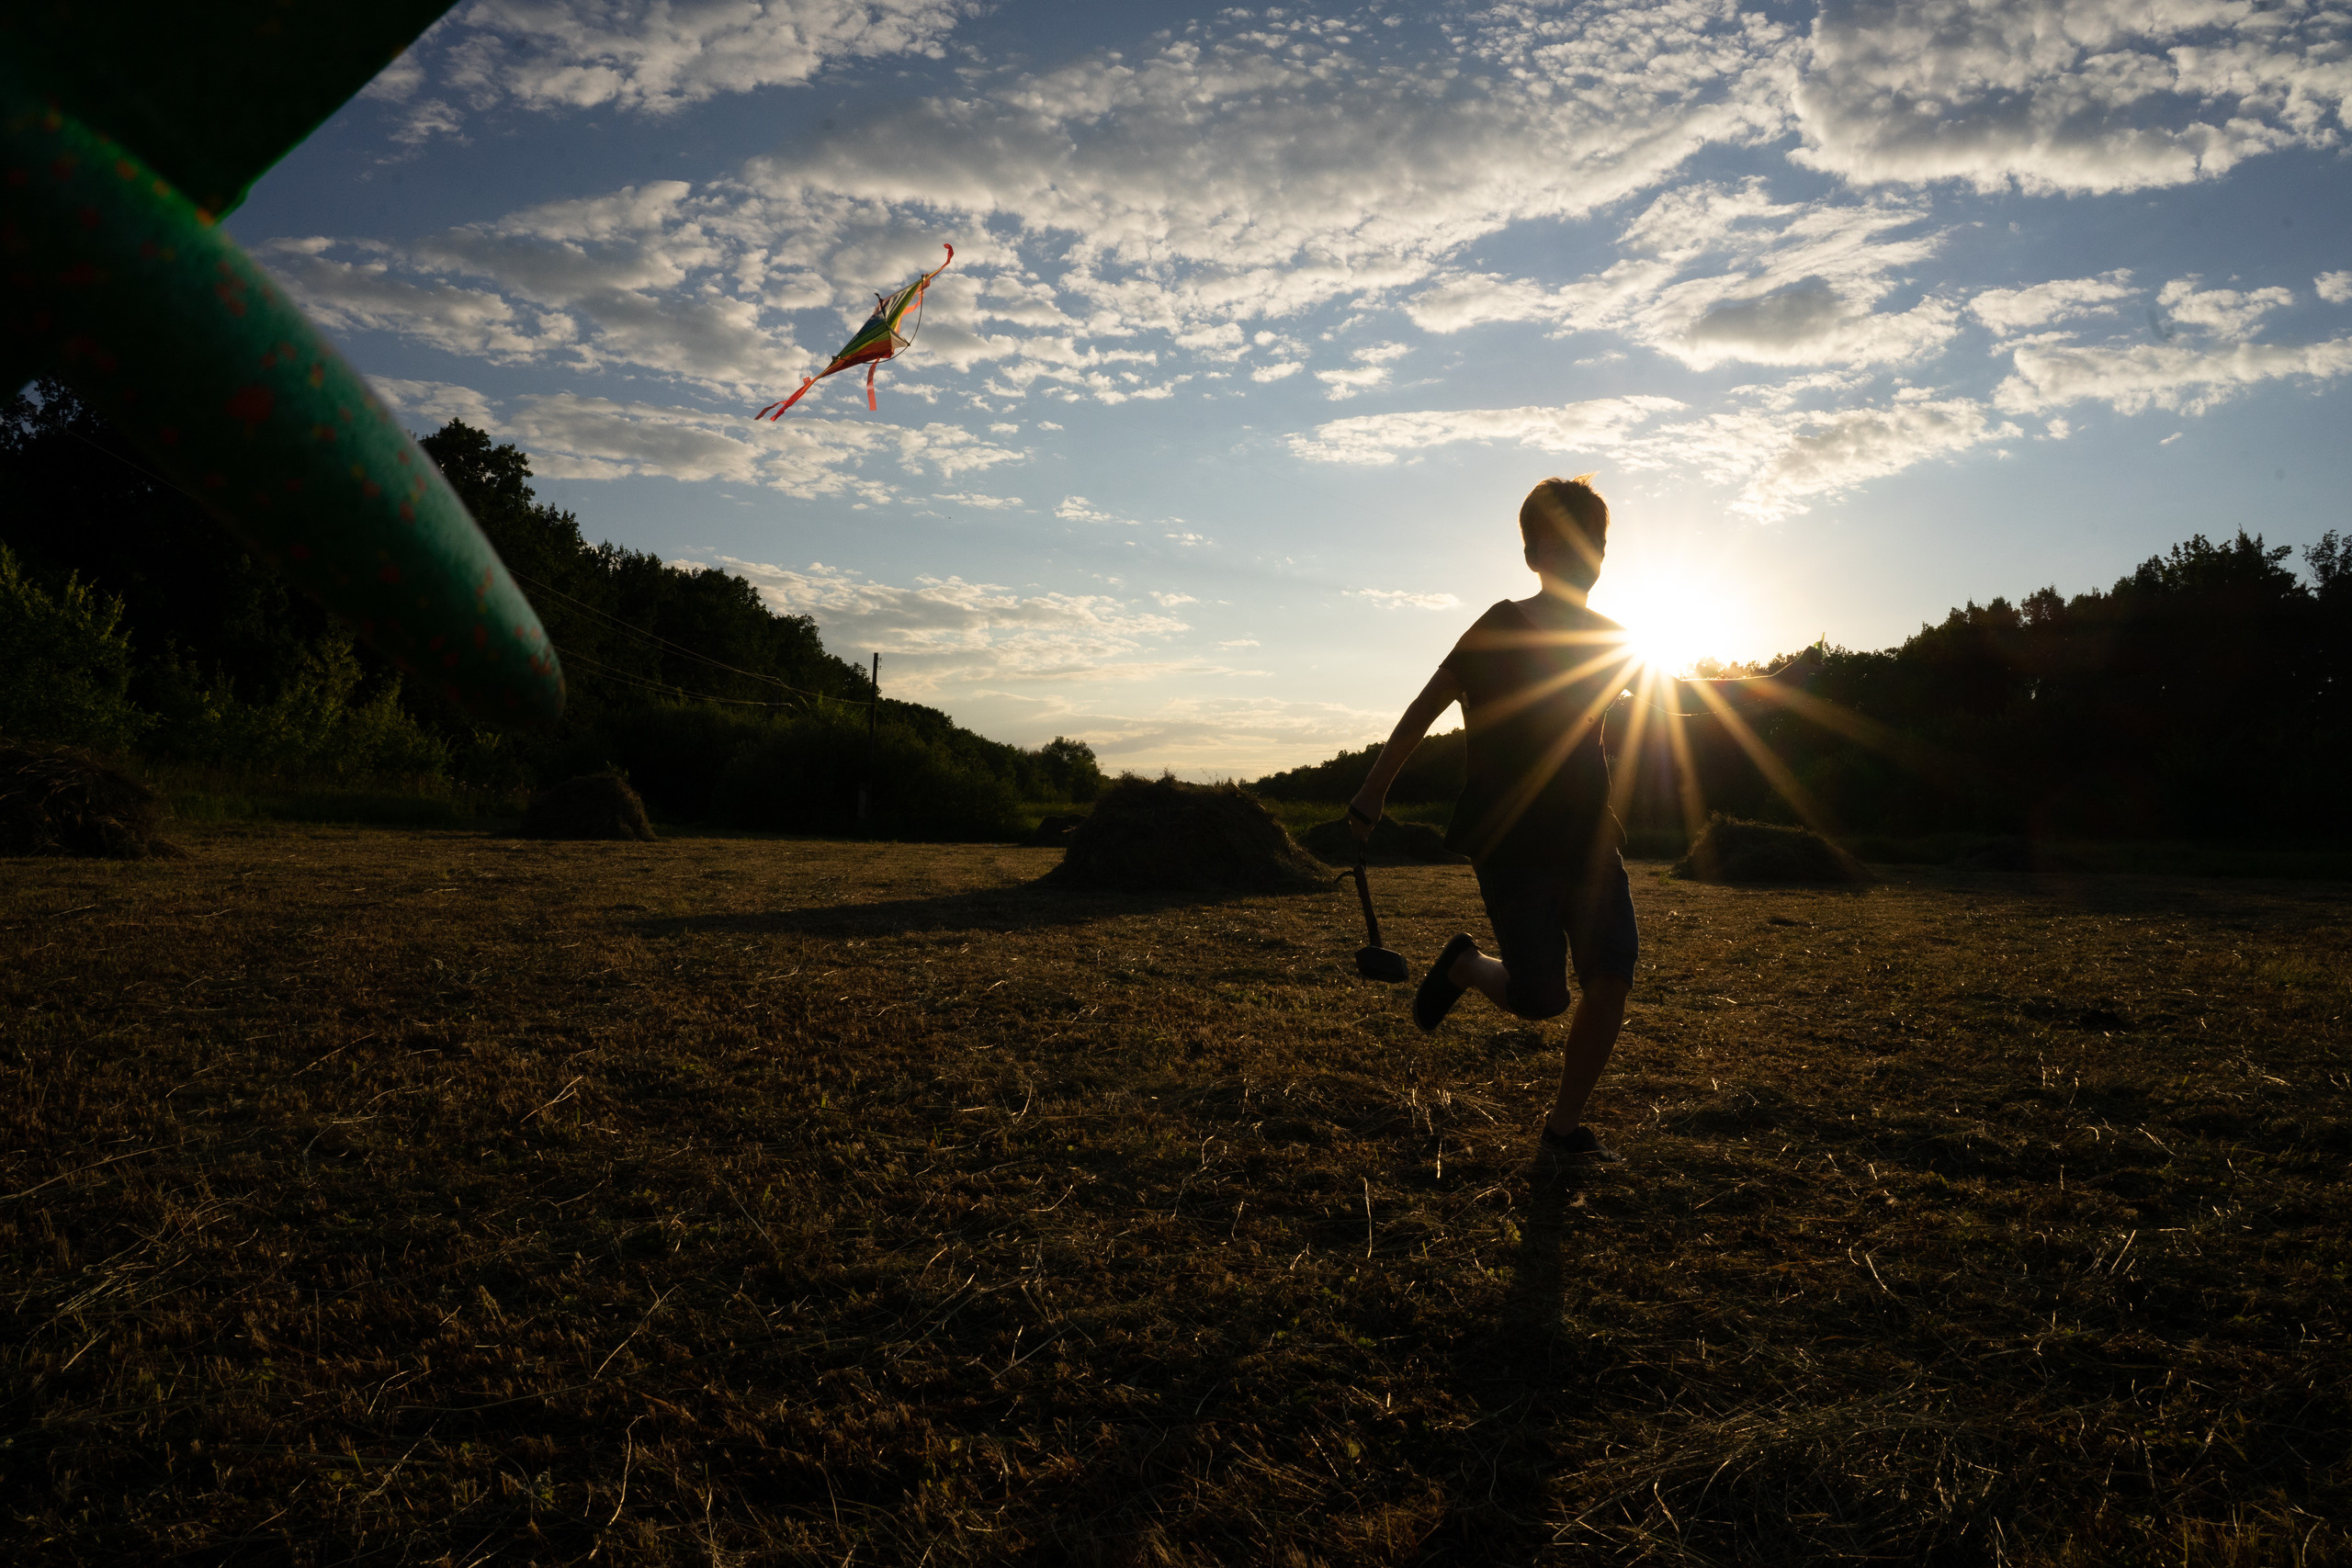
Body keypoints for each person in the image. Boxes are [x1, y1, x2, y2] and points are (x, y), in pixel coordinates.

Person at [1347, 475, 1818, 1160]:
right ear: (1534, 551)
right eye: (1569, 540)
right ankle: (1468, 966)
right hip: (1510, 843)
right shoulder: (1498, 626)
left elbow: (1678, 694)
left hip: (1590, 837)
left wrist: (1770, 686)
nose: (1586, 553)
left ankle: (1561, 1128)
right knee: (1541, 998)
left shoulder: (1613, 641)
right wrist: (1372, 790)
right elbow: (1427, 705)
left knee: (1611, 977)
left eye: (1596, 541)